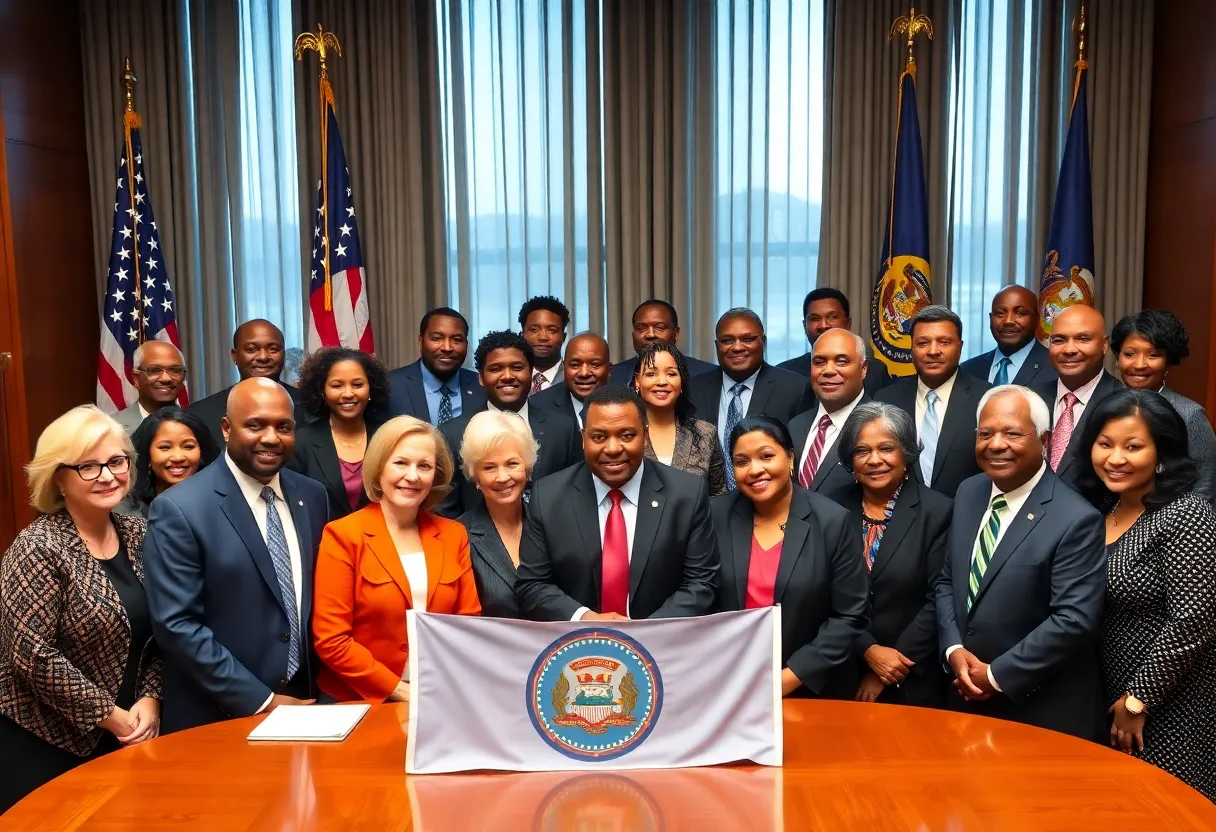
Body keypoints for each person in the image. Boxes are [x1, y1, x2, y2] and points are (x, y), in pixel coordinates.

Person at [144, 378, 329, 732]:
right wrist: (261, 701)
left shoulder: (313, 495)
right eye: (256, 425)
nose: (271, 438)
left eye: (284, 426)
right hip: (219, 714)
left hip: (306, 704)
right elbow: (176, 626)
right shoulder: (180, 508)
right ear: (227, 429)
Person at [0, 406, 161, 812]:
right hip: (47, 740)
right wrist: (111, 715)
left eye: (116, 461)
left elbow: (163, 629)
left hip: (132, 729)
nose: (107, 476)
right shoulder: (37, 548)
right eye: (88, 467)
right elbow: (31, 656)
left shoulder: (140, 534)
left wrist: (151, 697)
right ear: (58, 477)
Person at [935, 385, 1107, 740]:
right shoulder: (969, 492)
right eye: (986, 434)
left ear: (1044, 440)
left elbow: (1073, 620)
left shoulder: (1076, 518)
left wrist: (996, 674)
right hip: (965, 698)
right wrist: (953, 649)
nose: (996, 444)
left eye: (1012, 433)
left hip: (1039, 709)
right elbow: (947, 580)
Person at [1071, 389, 1216, 800]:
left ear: (1162, 453)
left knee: (1169, 808)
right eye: (1105, 444)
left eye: (1133, 447)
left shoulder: (1186, 514)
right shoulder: (1103, 512)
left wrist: (1139, 700)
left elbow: (1194, 619)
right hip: (1108, 692)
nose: (1116, 458)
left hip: (1173, 704)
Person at [312, 416, 481, 702]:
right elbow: (332, 640)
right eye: (401, 463)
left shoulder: (454, 535)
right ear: (379, 469)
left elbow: (468, 625)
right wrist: (401, 691)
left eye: (424, 466)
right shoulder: (343, 536)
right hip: (358, 700)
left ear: (435, 477)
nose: (413, 476)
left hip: (439, 694)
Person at [515, 385, 720, 621]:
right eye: (599, 437)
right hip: (577, 647)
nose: (612, 449)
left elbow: (702, 583)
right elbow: (533, 585)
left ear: (645, 436)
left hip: (661, 644)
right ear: (583, 438)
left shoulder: (686, 494)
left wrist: (642, 633)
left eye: (626, 436)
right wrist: (585, 618)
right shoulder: (548, 496)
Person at [712, 416, 868, 698]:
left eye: (766, 456)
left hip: (808, 688)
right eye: (742, 461)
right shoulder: (714, 515)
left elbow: (850, 615)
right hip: (729, 683)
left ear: (791, 458)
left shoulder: (832, 521)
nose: (755, 470)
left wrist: (788, 678)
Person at [834, 403, 953, 707]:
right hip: (839, 666)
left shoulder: (937, 511)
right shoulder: (829, 509)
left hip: (910, 675)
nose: (875, 460)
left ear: (907, 455)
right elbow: (821, 590)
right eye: (862, 451)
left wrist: (888, 668)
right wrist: (867, 650)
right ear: (850, 460)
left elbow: (938, 597)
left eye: (886, 448)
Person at [437, 331, 581, 517]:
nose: (507, 376)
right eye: (496, 369)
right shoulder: (453, 434)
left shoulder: (563, 428)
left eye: (517, 367)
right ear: (480, 377)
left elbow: (576, 495)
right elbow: (446, 512)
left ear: (530, 372)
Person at [689, 308, 813, 489]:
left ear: (763, 342)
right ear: (717, 346)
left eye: (747, 339)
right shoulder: (693, 389)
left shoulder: (796, 388)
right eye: (727, 340)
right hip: (705, 507)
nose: (737, 347)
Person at [875, 305, 991, 498]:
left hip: (964, 518)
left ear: (960, 347)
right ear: (911, 347)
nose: (933, 351)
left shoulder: (987, 398)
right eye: (923, 343)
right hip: (900, 519)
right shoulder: (886, 400)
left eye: (944, 342)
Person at [1112, 310, 1216, 502]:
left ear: (1168, 363)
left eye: (1153, 355)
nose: (1140, 364)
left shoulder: (1189, 415)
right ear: (1118, 358)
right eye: (1129, 354)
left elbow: (1206, 488)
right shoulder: (1108, 408)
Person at [287, 347, 392, 519]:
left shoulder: (388, 437)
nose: (348, 394)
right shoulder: (301, 442)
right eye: (337, 386)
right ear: (323, 391)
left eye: (357, 385)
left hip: (380, 541)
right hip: (321, 542)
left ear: (370, 388)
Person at [457, 411, 538, 618]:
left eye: (512, 464)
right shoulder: (459, 536)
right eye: (489, 467)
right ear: (475, 476)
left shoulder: (548, 524)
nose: (503, 477)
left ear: (527, 467)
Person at [1034, 304, 1123, 487]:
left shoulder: (1125, 403)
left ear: (1104, 345)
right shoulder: (1033, 398)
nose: (1069, 350)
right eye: (1059, 340)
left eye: (1083, 339)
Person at [188, 319, 304, 446]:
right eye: (251, 350)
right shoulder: (201, 414)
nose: (263, 357)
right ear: (235, 356)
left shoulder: (310, 407)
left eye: (273, 349)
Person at [632, 342, 727, 496]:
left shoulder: (705, 433)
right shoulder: (624, 433)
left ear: (681, 382)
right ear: (637, 382)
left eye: (671, 374)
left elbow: (719, 497)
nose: (662, 381)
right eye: (651, 374)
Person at [789, 329, 870, 501]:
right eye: (819, 362)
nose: (828, 371)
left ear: (863, 369)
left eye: (841, 362)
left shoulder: (880, 426)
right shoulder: (795, 426)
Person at [777, 287, 890, 396]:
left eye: (832, 317)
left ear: (848, 323)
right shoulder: (784, 373)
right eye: (815, 319)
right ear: (804, 325)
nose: (824, 325)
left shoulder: (875, 371)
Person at [386, 307, 486, 425]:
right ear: (421, 341)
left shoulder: (483, 387)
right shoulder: (390, 386)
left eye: (457, 340)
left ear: (466, 345)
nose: (447, 348)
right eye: (437, 338)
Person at [126, 409, 220, 516]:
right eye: (165, 447)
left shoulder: (220, 502)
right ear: (147, 456)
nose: (178, 457)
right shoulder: (128, 510)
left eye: (188, 446)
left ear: (202, 454)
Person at [959, 285, 1057, 387]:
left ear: (1037, 319)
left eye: (1020, 313)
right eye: (1000, 313)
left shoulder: (1056, 369)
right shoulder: (968, 370)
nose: (1008, 321)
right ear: (990, 318)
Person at [608, 299, 715, 384]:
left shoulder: (706, 374)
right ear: (633, 334)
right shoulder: (615, 375)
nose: (650, 334)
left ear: (676, 333)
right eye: (641, 328)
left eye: (660, 328)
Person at [530, 331, 612, 429]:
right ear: (564, 367)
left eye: (595, 365)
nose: (584, 373)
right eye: (575, 365)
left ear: (609, 369)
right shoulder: (537, 407)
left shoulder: (627, 406)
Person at [114, 340, 189, 435]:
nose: (165, 378)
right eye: (155, 370)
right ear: (136, 379)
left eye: (175, 370)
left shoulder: (198, 424)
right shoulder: (112, 427)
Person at [519, 295, 570, 395]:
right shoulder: (511, 378)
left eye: (552, 330)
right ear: (522, 335)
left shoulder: (575, 378)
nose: (543, 337)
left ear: (563, 337)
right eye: (534, 330)